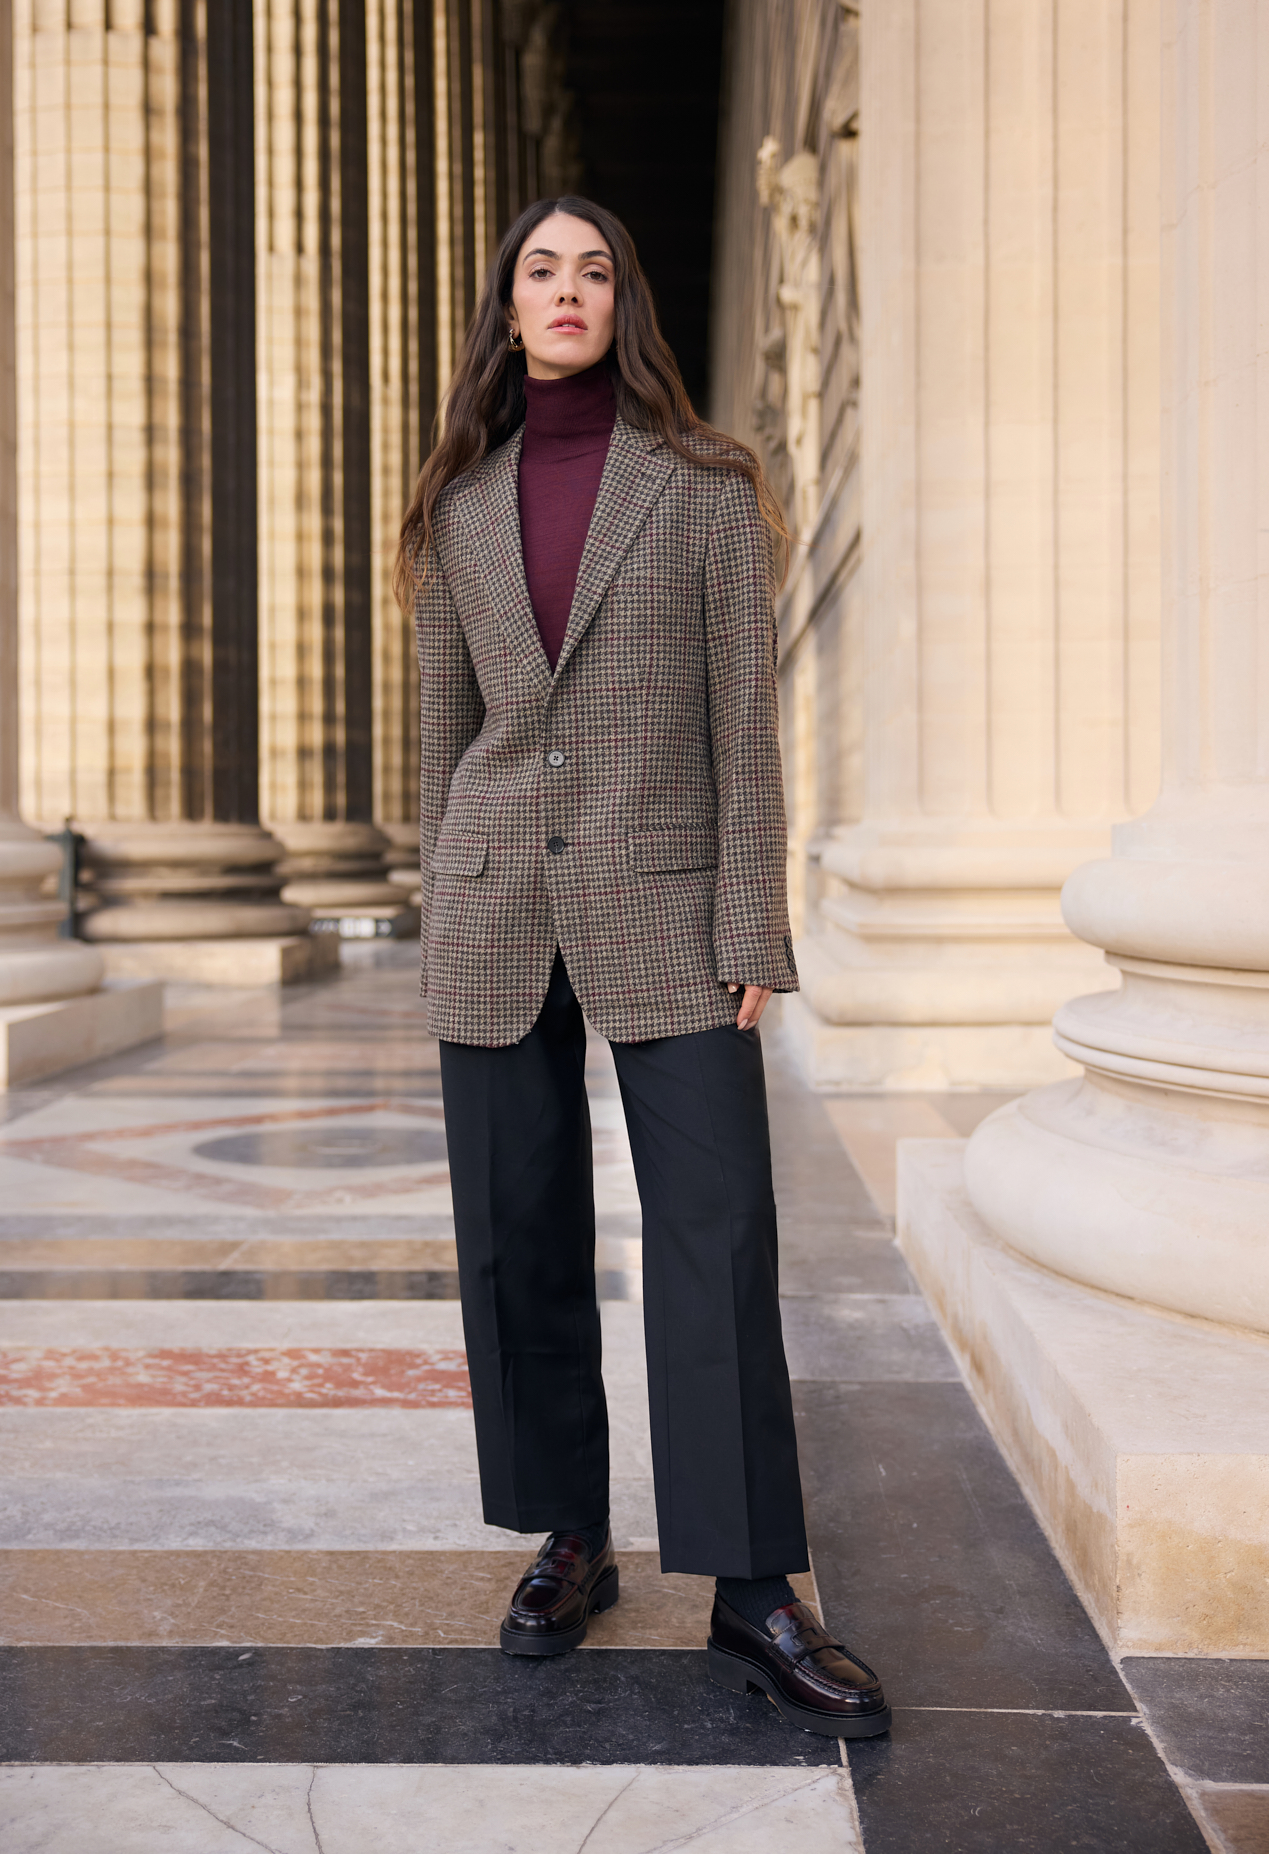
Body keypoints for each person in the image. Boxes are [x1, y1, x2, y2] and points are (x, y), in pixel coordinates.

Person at [394, 195, 889, 1741]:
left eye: (595, 268)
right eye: (541, 269)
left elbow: (744, 727)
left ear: (625, 304)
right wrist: (439, 907)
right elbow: (444, 742)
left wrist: (753, 925)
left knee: (714, 1234)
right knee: (516, 1234)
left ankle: (750, 1593)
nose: (567, 290)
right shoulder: (454, 505)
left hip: (668, 908)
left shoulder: (700, 490)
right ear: (507, 302)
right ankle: (567, 1538)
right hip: (493, 907)